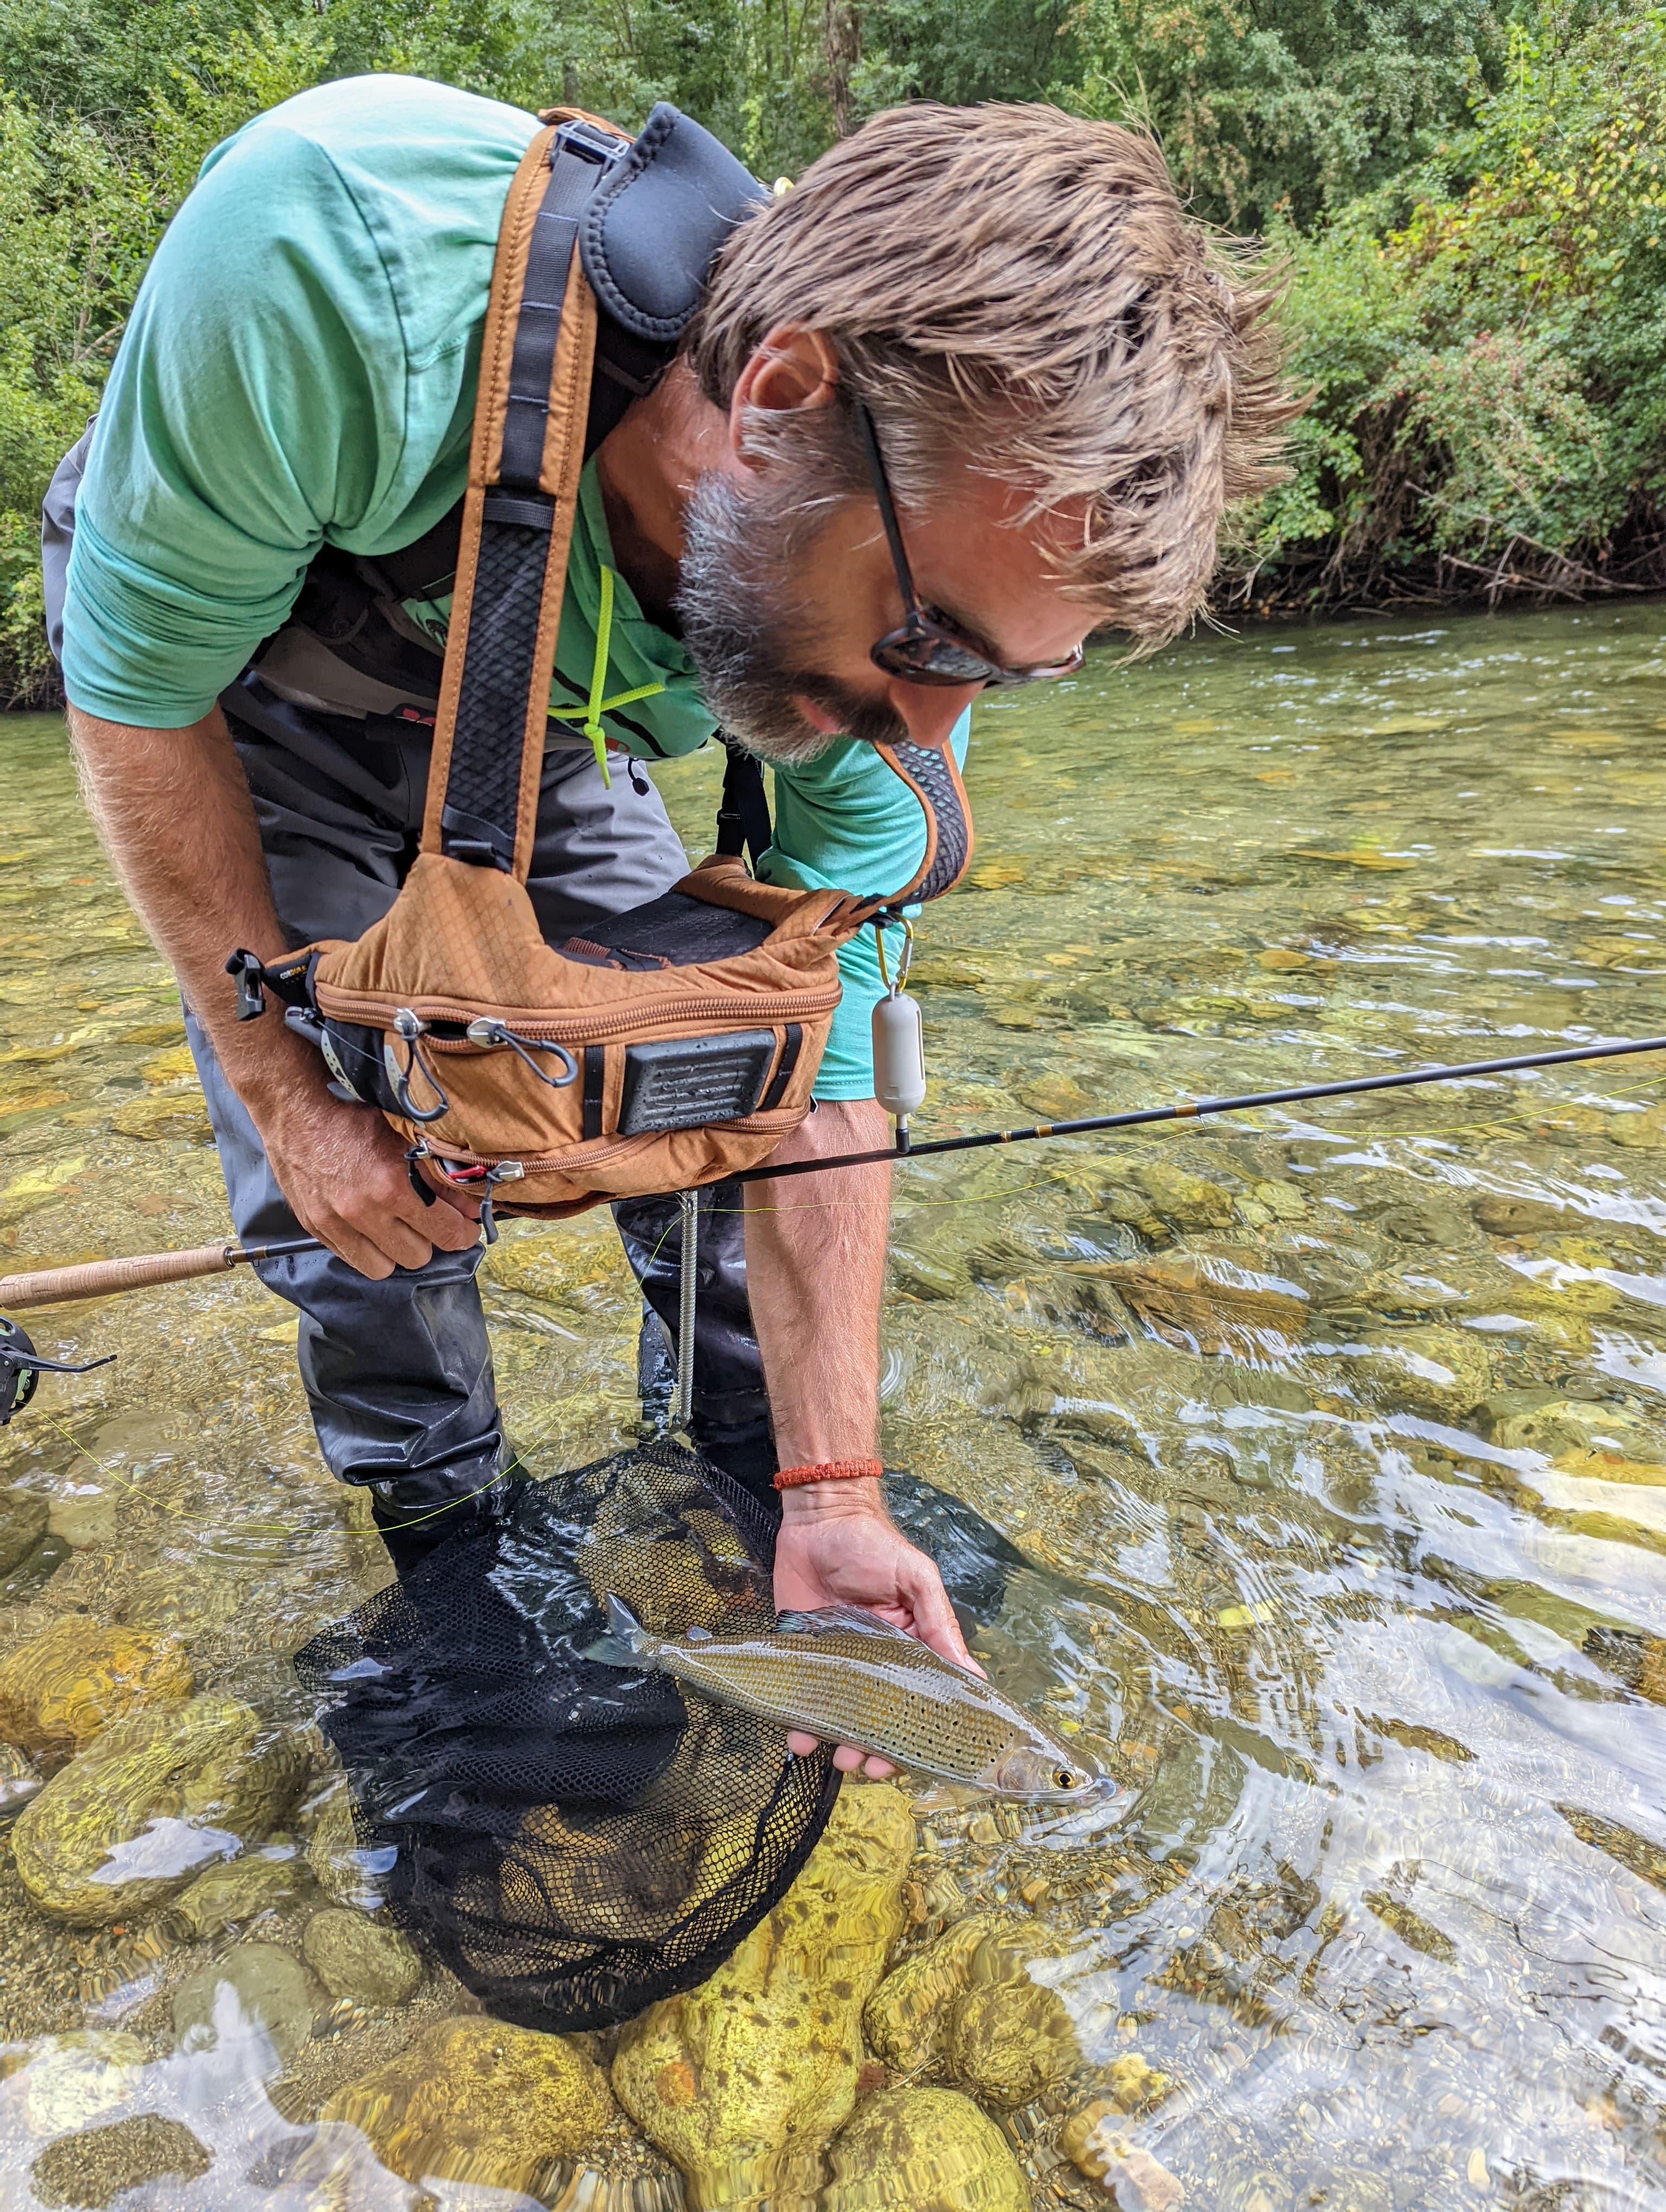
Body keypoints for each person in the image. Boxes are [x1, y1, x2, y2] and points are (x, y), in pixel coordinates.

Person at [46, 79, 1289, 1773]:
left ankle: (753, 1466)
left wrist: (834, 1480)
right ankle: (454, 1551)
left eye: (1004, 672)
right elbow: (133, 701)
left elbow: (828, 1049)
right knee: (370, 1186)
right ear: (776, 395)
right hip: (252, 683)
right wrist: (291, 1097)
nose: (932, 731)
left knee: (710, 1066)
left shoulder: (921, 575)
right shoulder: (324, 259)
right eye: (934, 650)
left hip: (554, 701)